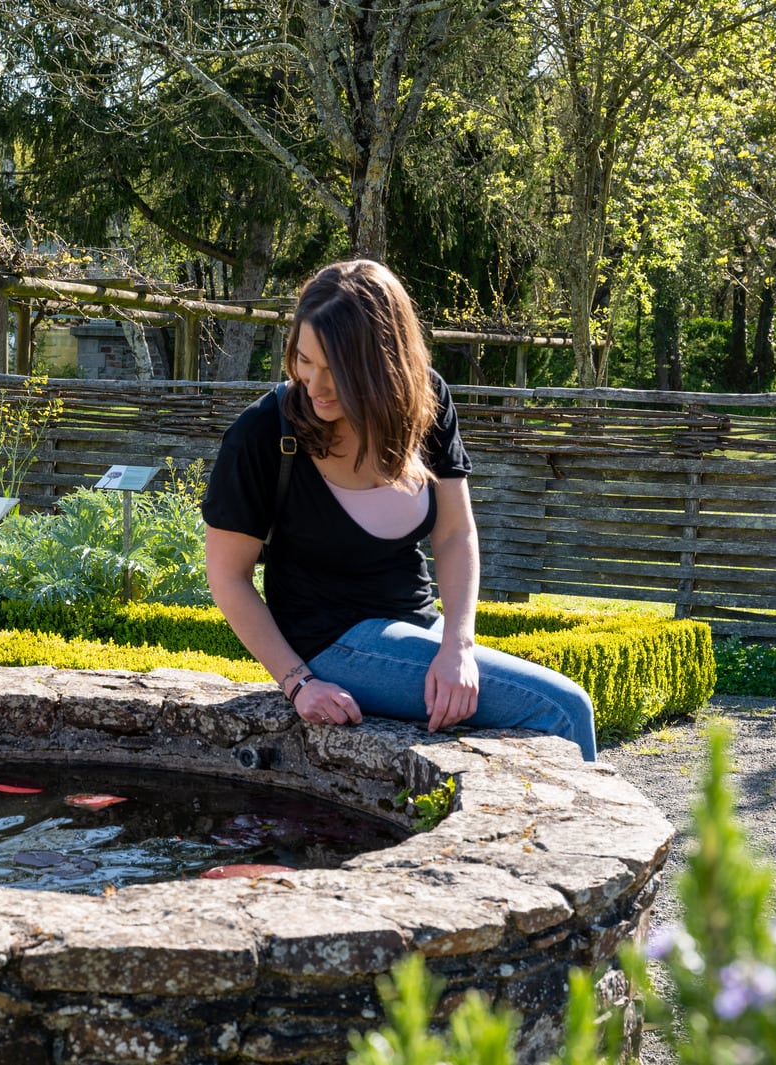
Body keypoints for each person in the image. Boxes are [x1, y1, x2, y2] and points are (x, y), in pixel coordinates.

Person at [201, 260, 597, 760]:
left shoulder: (426, 403)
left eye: (335, 371)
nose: (315, 386)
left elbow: (454, 534)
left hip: (416, 624)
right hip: (325, 642)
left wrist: (458, 645)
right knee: (562, 709)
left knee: (553, 709)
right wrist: (298, 683)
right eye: (304, 361)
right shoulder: (260, 433)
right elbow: (227, 576)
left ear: (380, 363)